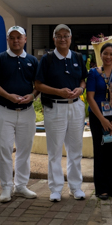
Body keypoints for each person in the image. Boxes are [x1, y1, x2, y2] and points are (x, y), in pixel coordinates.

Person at [0, 26, 40, 203]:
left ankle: (21, 185)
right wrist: (7, 95)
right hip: (4, 111)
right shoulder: (0, 59)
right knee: (4, 149)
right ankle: (6, 187)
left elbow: (38, 84)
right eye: (12, 37)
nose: (16, 40)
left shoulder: (32, 60)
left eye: (19, 37)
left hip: (27, 112)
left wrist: (32, 95)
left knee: (24, 150)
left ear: (25, 39)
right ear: (7, 40)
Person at [35, 24, 88, 202]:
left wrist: (81, 89)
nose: (63, 39)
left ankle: (75, 187)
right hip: (55, 107)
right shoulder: (47, 59)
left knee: (75, 149)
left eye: (66, 36)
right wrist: (58, 92)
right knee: (55, 150)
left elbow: (83, 79)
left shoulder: (78, 57)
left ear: (70, 39)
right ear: (54, 39)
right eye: (59, 36)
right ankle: (56, 188)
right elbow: (38, 85)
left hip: (75, 106)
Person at [86, 42, 112, 200]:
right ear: (101, 55)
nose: (108, 57)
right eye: (105, 54)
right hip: (98, 117)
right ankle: (101, 189)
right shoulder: (93, 73)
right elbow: (90, 98)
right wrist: (102, 119)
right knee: (100, 151)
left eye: (111, 54)